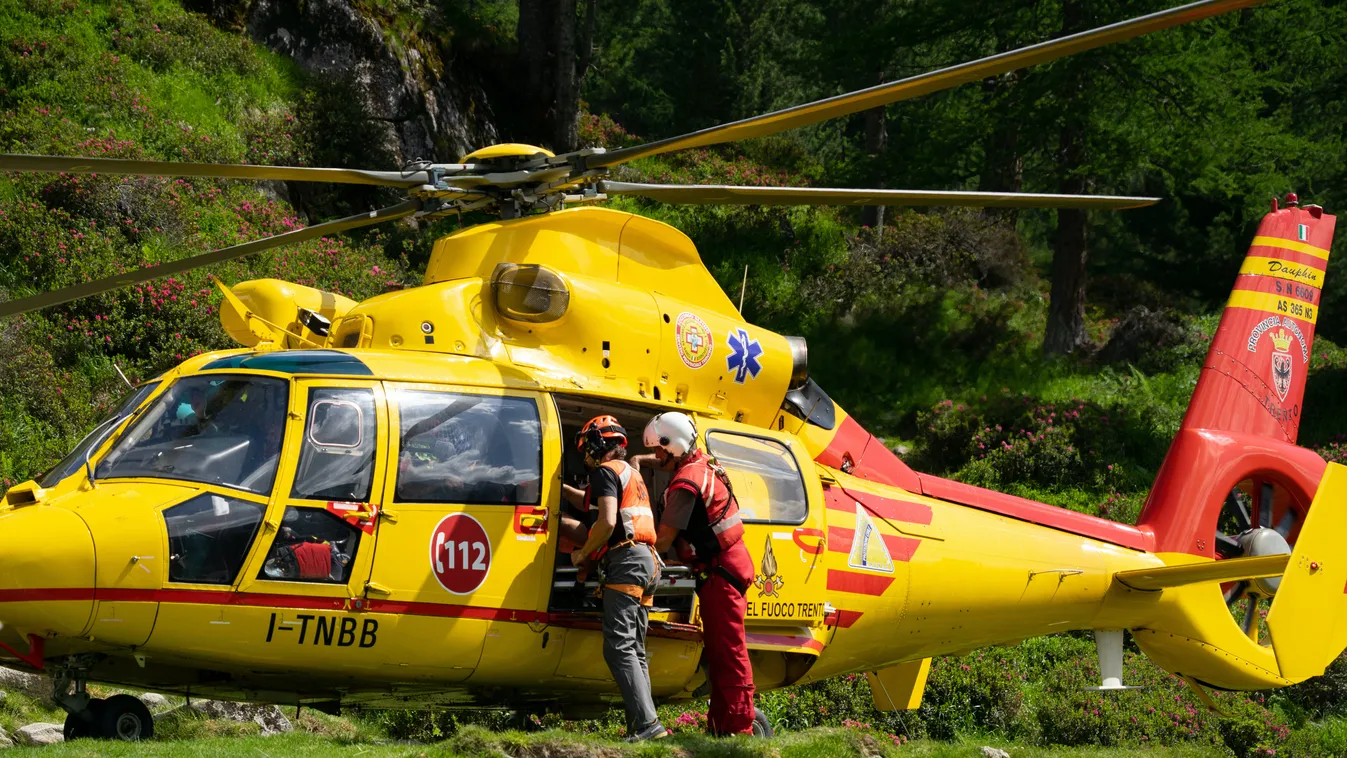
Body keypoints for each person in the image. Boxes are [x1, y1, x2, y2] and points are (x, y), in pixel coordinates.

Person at [638, 412, 756, 736]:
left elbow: (662, 539)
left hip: (721, 574)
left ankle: (740, 729)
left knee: (729, 655)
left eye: (659, 450)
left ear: (673, 445)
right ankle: (721, 728)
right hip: (725, 567)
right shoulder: (704, 463)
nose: (657, 457)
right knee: (721, 654)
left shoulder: (686, 482)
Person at [560, 415, 669, 742]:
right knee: (634, 648)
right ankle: (645, 726)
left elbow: (606, 522)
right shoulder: (628, 473)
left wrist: (582, 554)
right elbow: (589, 501)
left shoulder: (605, 473)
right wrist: (555, 488)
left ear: (597, 445)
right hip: (648, 563)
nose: (586, 456)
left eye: (587, 449)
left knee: (619, 647)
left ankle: (649, 727)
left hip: (627, 562)